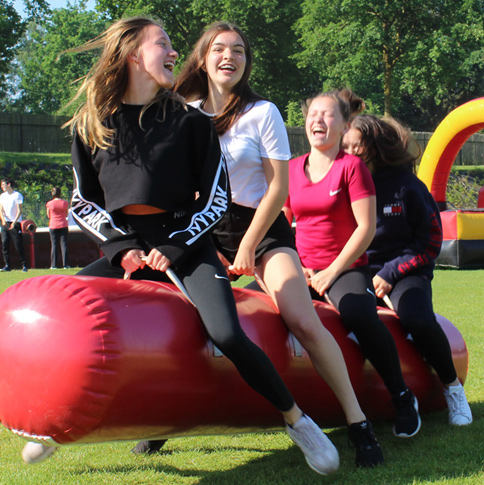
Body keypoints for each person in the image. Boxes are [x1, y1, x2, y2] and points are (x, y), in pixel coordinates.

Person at [21, 17, 340, 475]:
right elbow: (83, 202)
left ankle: (297, 420)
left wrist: (174, 245)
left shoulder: (192, 121)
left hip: (186, 247)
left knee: (227, 334)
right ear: (133, 54)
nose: (175, 53)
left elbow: (214, 201)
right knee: (63, 315)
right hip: (126, 249)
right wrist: (120, 247)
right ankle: (55, 423)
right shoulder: (93, 123)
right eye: (163, 45)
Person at [135, 23, 383, 468]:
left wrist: (249, 246)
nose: (230, 57)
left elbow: (277, 187)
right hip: (199, 231)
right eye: (219, 49)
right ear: (203, 57)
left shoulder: (262, 111)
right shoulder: (180, 108)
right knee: (178, 320)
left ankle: (358, 423)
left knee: (302, 319)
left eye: (239, 51)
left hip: (261, 229)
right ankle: (161, 424)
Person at [284, 89, 421, 440]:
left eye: (329, 115)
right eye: (313, 113)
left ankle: (402, 397)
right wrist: (296, 267)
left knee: (359, 315)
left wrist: (332, 271)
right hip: (302, 270)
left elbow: (366, 227)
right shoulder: (290, 170)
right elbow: (283, 225)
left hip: (346, 268)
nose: (318, 120)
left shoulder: (352, 167)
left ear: (345, 126)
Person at [342, 114, 472, 426]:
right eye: (344, 146)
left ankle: (452, 388)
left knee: (418, 319)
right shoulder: (341, 182)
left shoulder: (407, 187)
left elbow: (430, 242)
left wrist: (388, 274)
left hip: (405, 270)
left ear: (375, 147)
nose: (348, 153)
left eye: (355, 146)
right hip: (356, 270)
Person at [0, 178, 27, 272]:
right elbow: (1, 210)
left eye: (3, 185)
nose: (2, 187)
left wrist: (14, 222)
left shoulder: (17, 195)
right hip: (5, 222)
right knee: (5, 243)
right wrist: (3, 220)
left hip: (15, 222)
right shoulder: (2, 196)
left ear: (9, 184)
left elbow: (20, 210)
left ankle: (24, 265)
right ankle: (7, 265)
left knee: (18, 244)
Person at [46, 186, 70, 269]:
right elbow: (66, 214)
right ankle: (66, 264)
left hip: (53, 225)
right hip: (63, 224)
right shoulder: (65, 203)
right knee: (64, 244)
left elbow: (48, 215)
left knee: (54, 244)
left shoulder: (49, 203)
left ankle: (53, 264)